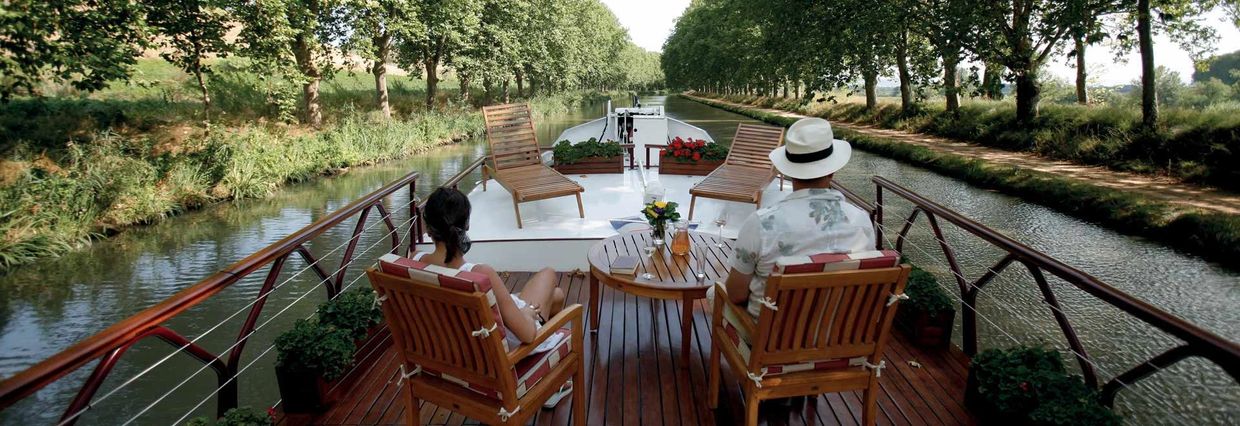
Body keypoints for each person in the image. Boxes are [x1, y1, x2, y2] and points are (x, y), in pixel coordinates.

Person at [418, 187, 573, 407]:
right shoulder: (480, 275)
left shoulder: (416, 264)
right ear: (466, 225)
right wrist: (526, 314)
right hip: (501, 357)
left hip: (457, 351)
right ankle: (550, 383)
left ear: (429, 228)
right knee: (548, 275)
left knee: (555, 295)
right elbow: (528, 335)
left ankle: (533, 309)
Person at [722, 117, 876, 318]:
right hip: (834, 337)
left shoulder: (762, 224)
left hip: (770, 342)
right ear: (833, 171)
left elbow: (736, 295)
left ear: (786, 173)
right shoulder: (861, 222)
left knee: (713, 293)